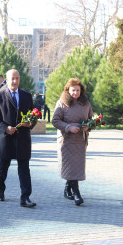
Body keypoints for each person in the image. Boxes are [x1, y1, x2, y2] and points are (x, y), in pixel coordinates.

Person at [0, 69, 37, 208]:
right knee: (2, 168)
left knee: (24, 169)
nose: (15, 81)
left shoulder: (26, 96)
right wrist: (5, 128)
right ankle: (0, 190)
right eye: (12, 78)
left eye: (17, 78)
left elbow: (34, 115)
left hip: (23, 138)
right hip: (6, 138)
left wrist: (31, 123)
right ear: (6, 79)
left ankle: (25, 197)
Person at [52, 78, 93, 206]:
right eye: (73, 90)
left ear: (81, 91)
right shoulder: (62, 103)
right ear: (68, 90)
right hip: (66, 140)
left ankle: (67, 189)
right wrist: (69, 127)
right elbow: (55, 120)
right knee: (70, 165)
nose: (75, 93)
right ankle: (76, 193)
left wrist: (88, 126)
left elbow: (91, 119)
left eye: (78, 90)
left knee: (77, 166)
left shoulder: (86, 103)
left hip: (80, 139)